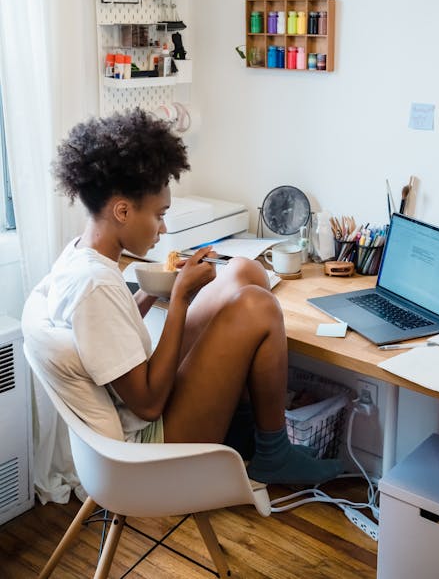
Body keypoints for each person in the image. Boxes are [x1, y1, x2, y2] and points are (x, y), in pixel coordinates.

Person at [33, 107, 342, 485]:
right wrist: (178, 300)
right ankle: (274, 453)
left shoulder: (81, 255)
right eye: (159, 214)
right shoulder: (95, 285)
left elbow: (106, 337)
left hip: (150, 405)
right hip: (151, 448)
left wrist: (151, 293)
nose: (163, 228)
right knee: (257, 307)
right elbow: (147, 405)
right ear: (123, 211)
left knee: (242, 269)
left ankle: (249, 428)